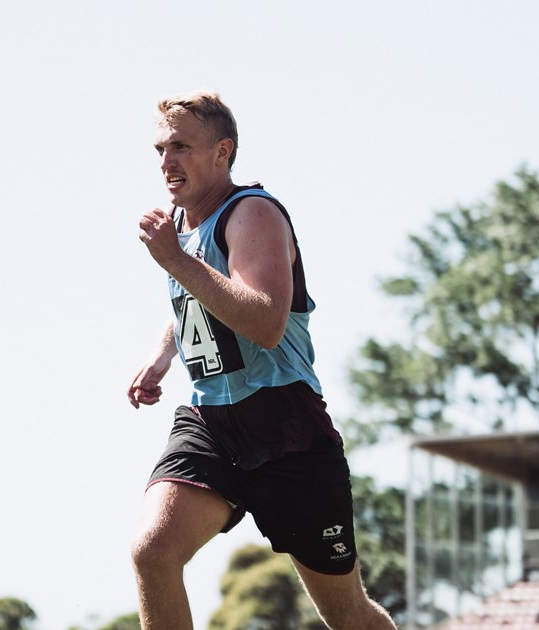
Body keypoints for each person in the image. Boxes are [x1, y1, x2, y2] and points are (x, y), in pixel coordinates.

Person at [128, 90, 397, 630]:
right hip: (213, 422)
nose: (166, 161)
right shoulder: (180, 225)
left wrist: (176, 261)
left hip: (285, 426)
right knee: (152, 553)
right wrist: (161, 356)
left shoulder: (252, 213)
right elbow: (199, 296)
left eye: (181, 146)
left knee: (347, 615)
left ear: (223, 151)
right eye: (159, 149)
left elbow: (265, 323)